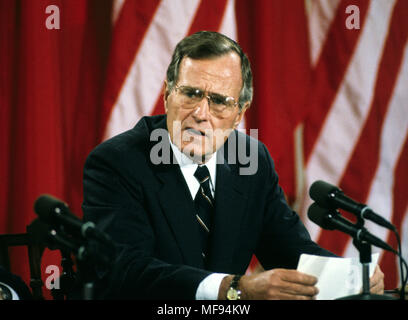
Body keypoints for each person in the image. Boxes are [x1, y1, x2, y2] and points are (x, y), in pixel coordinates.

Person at [82, 31, 384, 300]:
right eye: (191, 94)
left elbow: (289, 249)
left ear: (239, 112)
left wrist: (350, 277)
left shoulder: (250, 160)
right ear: (167, 94)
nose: (201, 113)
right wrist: (233, 288)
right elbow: (126, 271)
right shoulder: (118, 162)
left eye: (218, 101)